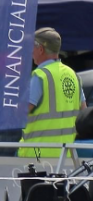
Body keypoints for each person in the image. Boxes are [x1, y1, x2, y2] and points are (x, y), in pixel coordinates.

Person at [17, 27, 87, 158]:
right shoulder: (73, 75)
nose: (31, 52)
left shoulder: (40, 76)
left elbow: (20, 112)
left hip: (36, 155)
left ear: (41, 49)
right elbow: (84, 112)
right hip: (65, 156)